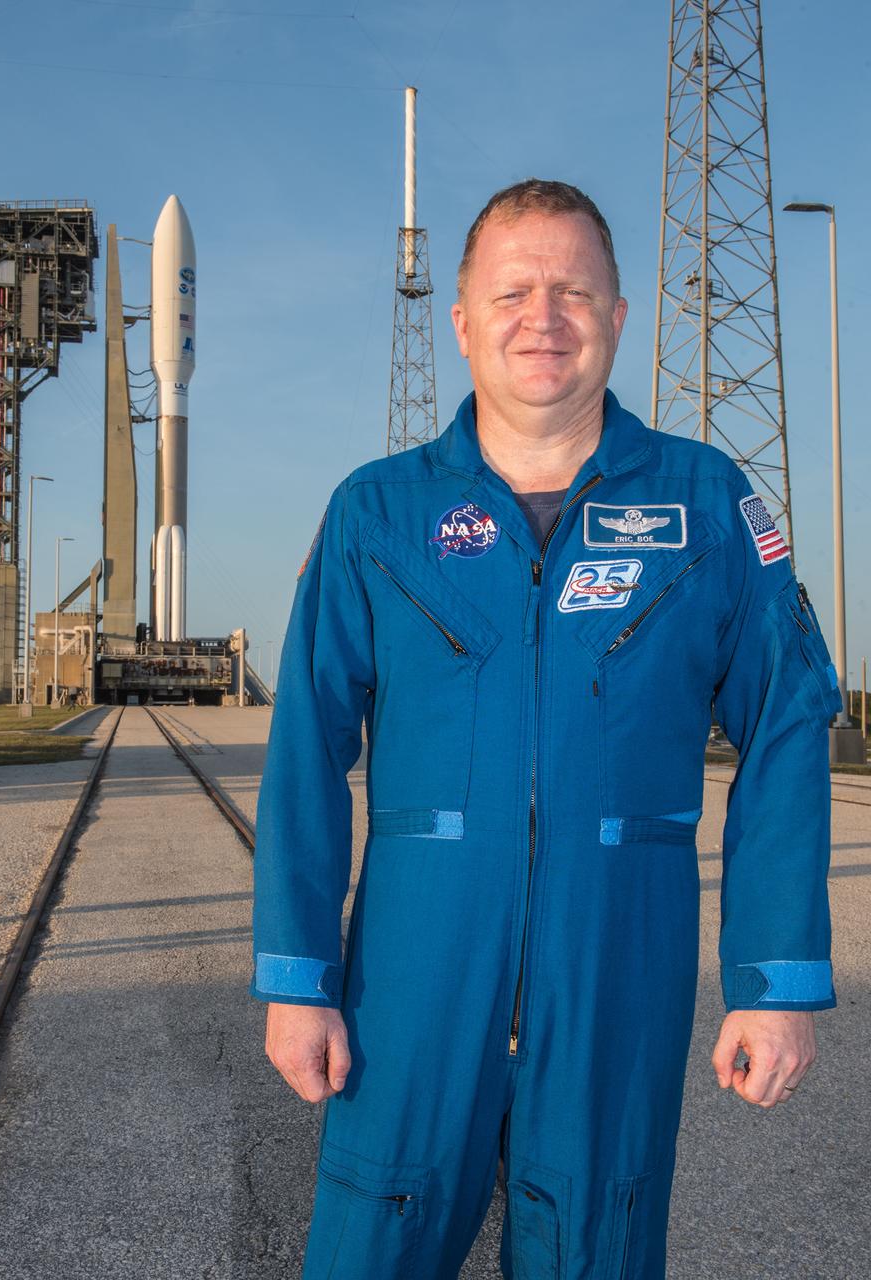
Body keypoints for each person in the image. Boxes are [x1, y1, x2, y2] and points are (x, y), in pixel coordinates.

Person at [250, 179, 839, 1279]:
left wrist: (774, 979)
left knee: (596, 1245)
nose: (544, 315)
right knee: (371, 1241)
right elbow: (305, 751)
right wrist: (297, 974)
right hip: (414, 976)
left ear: (618, 318)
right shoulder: (375, 513)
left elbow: (788, 725)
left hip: (620, 965)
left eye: (574, 290)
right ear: (464, 321)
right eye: (512, 290)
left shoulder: (706, 505)